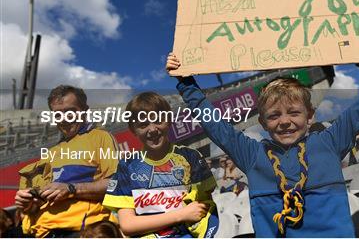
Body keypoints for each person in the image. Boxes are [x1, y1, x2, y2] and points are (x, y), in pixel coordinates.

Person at [166, 42, 359, 237]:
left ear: (310, 116)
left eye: (294, 112)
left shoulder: (329, 141)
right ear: (263, 123)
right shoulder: (251, 154)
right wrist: (185, 83)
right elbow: (215, 124)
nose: (285, 121)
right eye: (274, 115)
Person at [102, 92, 219, 237]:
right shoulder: (126, 167)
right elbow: (127, 225)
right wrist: (180, 215)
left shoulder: (191, 157)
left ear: (169, 119)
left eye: (157, 120)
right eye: (143, 125)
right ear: (133, 130)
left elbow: (203, 210)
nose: (152, 129)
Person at [14, 85, 119, 237]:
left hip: (83, 231)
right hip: (43, 232)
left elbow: (116, 185)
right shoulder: (50, 153)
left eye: (70, 111)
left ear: (85, 110)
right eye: (57, 115)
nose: (64, 119)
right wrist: (28, 204)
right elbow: (37, 207)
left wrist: (70, 189)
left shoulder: (101, 138)